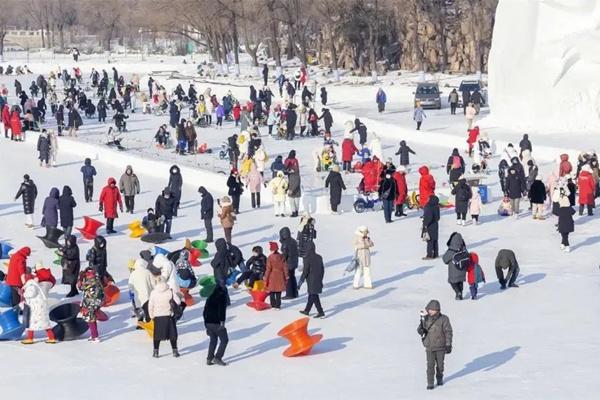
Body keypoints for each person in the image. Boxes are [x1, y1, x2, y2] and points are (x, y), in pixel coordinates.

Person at [417, 300, 453, 390]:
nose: (430, 311)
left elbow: (448, 332)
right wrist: (420, 330)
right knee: (430, 365)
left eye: (432, 309)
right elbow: (419, 328)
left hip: (441, 346)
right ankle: (430, 383)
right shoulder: (425, 318)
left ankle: (439, 378)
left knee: (440, 366)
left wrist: (448, 344)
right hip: (429, 346)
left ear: (437, 310)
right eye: (429, 309)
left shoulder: (444, 319)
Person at [148, 277, 180, 358]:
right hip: (169, 316)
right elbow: (178, 301)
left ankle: (156, 352)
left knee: (157, 335)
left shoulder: (153, 293)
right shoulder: (170, 291)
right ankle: (175, 351)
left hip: (158, 317)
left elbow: (150, 306)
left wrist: (152, 316)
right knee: (172, 334)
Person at [21, 278, 56, 345]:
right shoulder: (34, 284)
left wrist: (24, 294)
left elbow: (31, 294)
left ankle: (30, 339)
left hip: (37, 309)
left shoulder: (31, 285)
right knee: (45, 324)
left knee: (32, 323)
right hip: (39, 308)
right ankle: (51, 338)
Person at [203, 284, 229, 365]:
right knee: (224, 340)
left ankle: (209, 358)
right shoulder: (222, 296)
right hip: (216, 323)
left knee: (213, 340)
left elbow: (204, 312)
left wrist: (206, 325)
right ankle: (218, 358)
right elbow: (222, 311)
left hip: (208, 322)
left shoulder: (210, 297)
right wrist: (222, 323)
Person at [77, 266, 104, 342]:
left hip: (90, 303)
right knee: (92, 318)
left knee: (90, 319)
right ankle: (94, 335)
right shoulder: (97, 279)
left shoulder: (90, 281)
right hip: (96, 302)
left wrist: (80, 278)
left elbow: (80, 287)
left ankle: (95, 337)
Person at [442, 232, 468, 300]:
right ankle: (460, 294)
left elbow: (445, 259)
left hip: (454, 270)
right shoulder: (463, 248)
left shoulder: (452, 249)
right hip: (462, 268)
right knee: (460, 281)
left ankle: (458, 292)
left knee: (452, 281)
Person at [264, 242, 288, 309]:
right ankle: (278, 305)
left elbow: (268, 269)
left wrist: (266, 278)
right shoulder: (282, 256)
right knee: (278, 291)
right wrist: (286, 276)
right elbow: (285, 267)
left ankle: (273, 304)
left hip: (272, 275)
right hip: (280, 275)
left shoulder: (270, 257)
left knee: (272, 291)